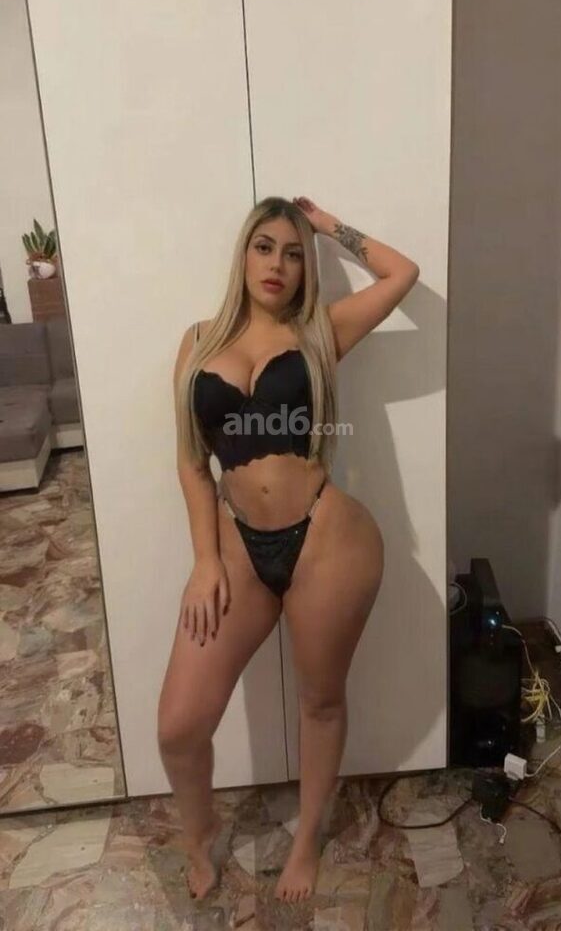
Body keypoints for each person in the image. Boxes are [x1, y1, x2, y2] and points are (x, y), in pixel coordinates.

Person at [157, 194, 420, 903]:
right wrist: (205, 560)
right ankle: (199, 839)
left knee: (320, 701)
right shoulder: (197, 342)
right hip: (237, 550)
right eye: (265, 246)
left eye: (294, 254)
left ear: (307, 268)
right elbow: (192, 463)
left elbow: (402, 274)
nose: (278, 264)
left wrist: (327, 226)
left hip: (328, 543)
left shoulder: (320, 334)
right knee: (180, 726)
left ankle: (307, 840)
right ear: (243, 255)